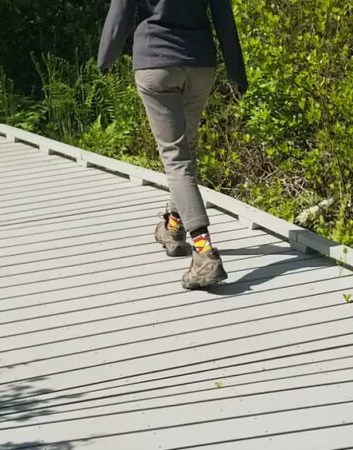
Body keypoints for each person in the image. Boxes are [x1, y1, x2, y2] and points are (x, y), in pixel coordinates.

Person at [97, 0, 248, 290]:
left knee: (176, 158)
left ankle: (204, 253)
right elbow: (224, 19)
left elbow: (120, 14)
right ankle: (174, 227)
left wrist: (105, 59)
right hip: (199, 66)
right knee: (185, 150)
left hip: (156, 64)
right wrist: (236, 72)